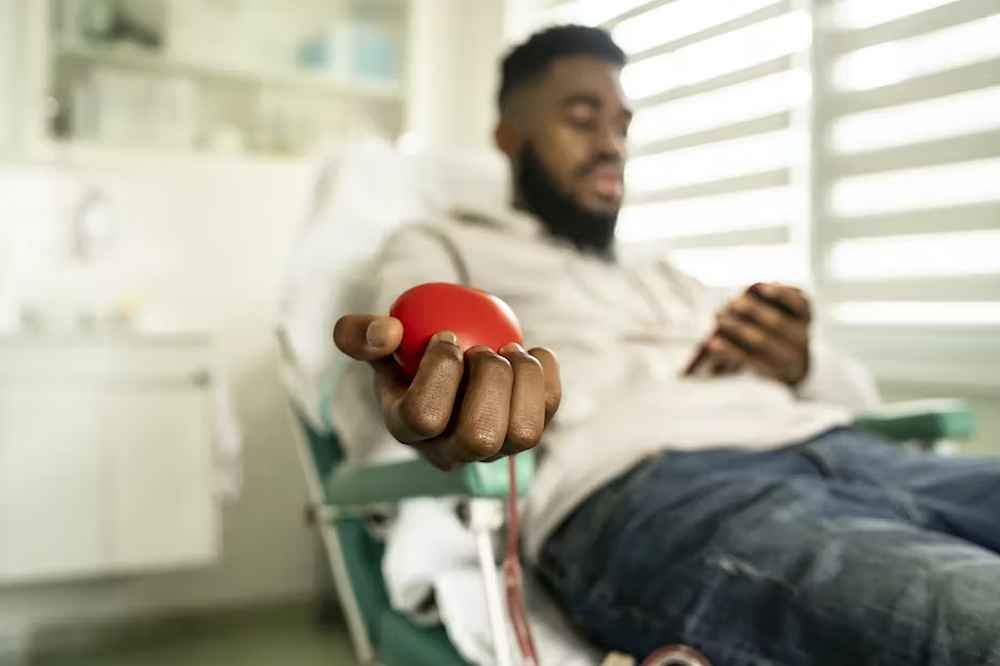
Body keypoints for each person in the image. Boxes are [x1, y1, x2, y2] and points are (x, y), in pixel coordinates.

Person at [331, 25, 1000, 665]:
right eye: (581, 118)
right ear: (510, 137)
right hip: (663, 493)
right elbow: (408, 386)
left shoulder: (665, 274)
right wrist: (439, 414)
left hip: (848, 452)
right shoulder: (444, 245)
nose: (612, 144)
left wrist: (799, 363)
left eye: (622, 125)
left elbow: (856, 401)